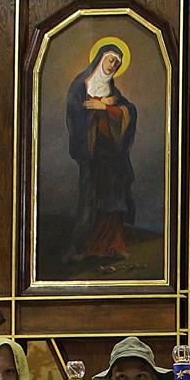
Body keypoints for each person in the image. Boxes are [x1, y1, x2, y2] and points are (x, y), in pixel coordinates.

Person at [64, 43, 138, 263]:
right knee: (92, 197)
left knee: (115, 197)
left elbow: (129, 111)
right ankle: (85, 246)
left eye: (117, 63)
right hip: (92, 154)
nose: (113, 65)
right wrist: (96, 107)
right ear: (100, 58)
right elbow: (74, 114)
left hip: (113, 156)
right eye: (110, 59)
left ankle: (114, 245)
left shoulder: (113, 91)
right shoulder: (80, 86)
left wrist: (107, 108)